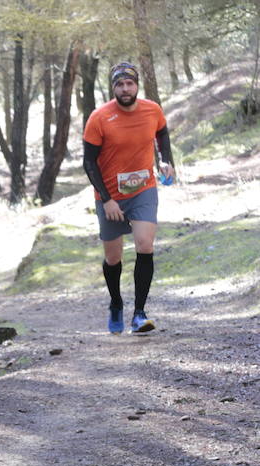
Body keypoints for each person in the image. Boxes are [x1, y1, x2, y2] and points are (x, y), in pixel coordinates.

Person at [83, 61, 175, 334]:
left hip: (143, 189)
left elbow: (162, 132)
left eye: (130, 83)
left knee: (145, 245)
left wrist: (165, 160)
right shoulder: (99, 118)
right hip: (110, 195)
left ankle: (139, 313)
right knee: (113, 258)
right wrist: (107, 199)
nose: (125, 89)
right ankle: (116, 303)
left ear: (137, 85)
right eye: (120, 84)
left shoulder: (152, 110)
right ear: (113, 88)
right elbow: (89, 163)